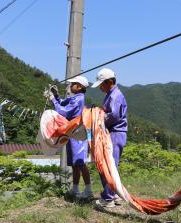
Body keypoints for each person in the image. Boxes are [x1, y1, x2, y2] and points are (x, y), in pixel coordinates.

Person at [46, 76, 93, 199]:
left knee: (80, 163)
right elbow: (63, 103)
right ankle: (76, 189)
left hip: (77, 133)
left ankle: (88, 191)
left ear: (79, 86)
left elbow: (63, 111)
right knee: (74, 163)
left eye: (73, 84)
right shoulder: (75, 98)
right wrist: (56, 96)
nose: (70, 86)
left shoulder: (78, 99)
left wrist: (53, 100)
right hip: (72, 132)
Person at [91, 68, 128, 208]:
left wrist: (97, 119)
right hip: (112, 132)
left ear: (110, 82)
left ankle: (108, 198)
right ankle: (116, 194)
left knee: (108, 165)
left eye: (102, 84)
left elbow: (113, 116)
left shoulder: (115, 95)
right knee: (110, 164)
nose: (100, 87)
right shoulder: (110, 94)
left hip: (115, 133)